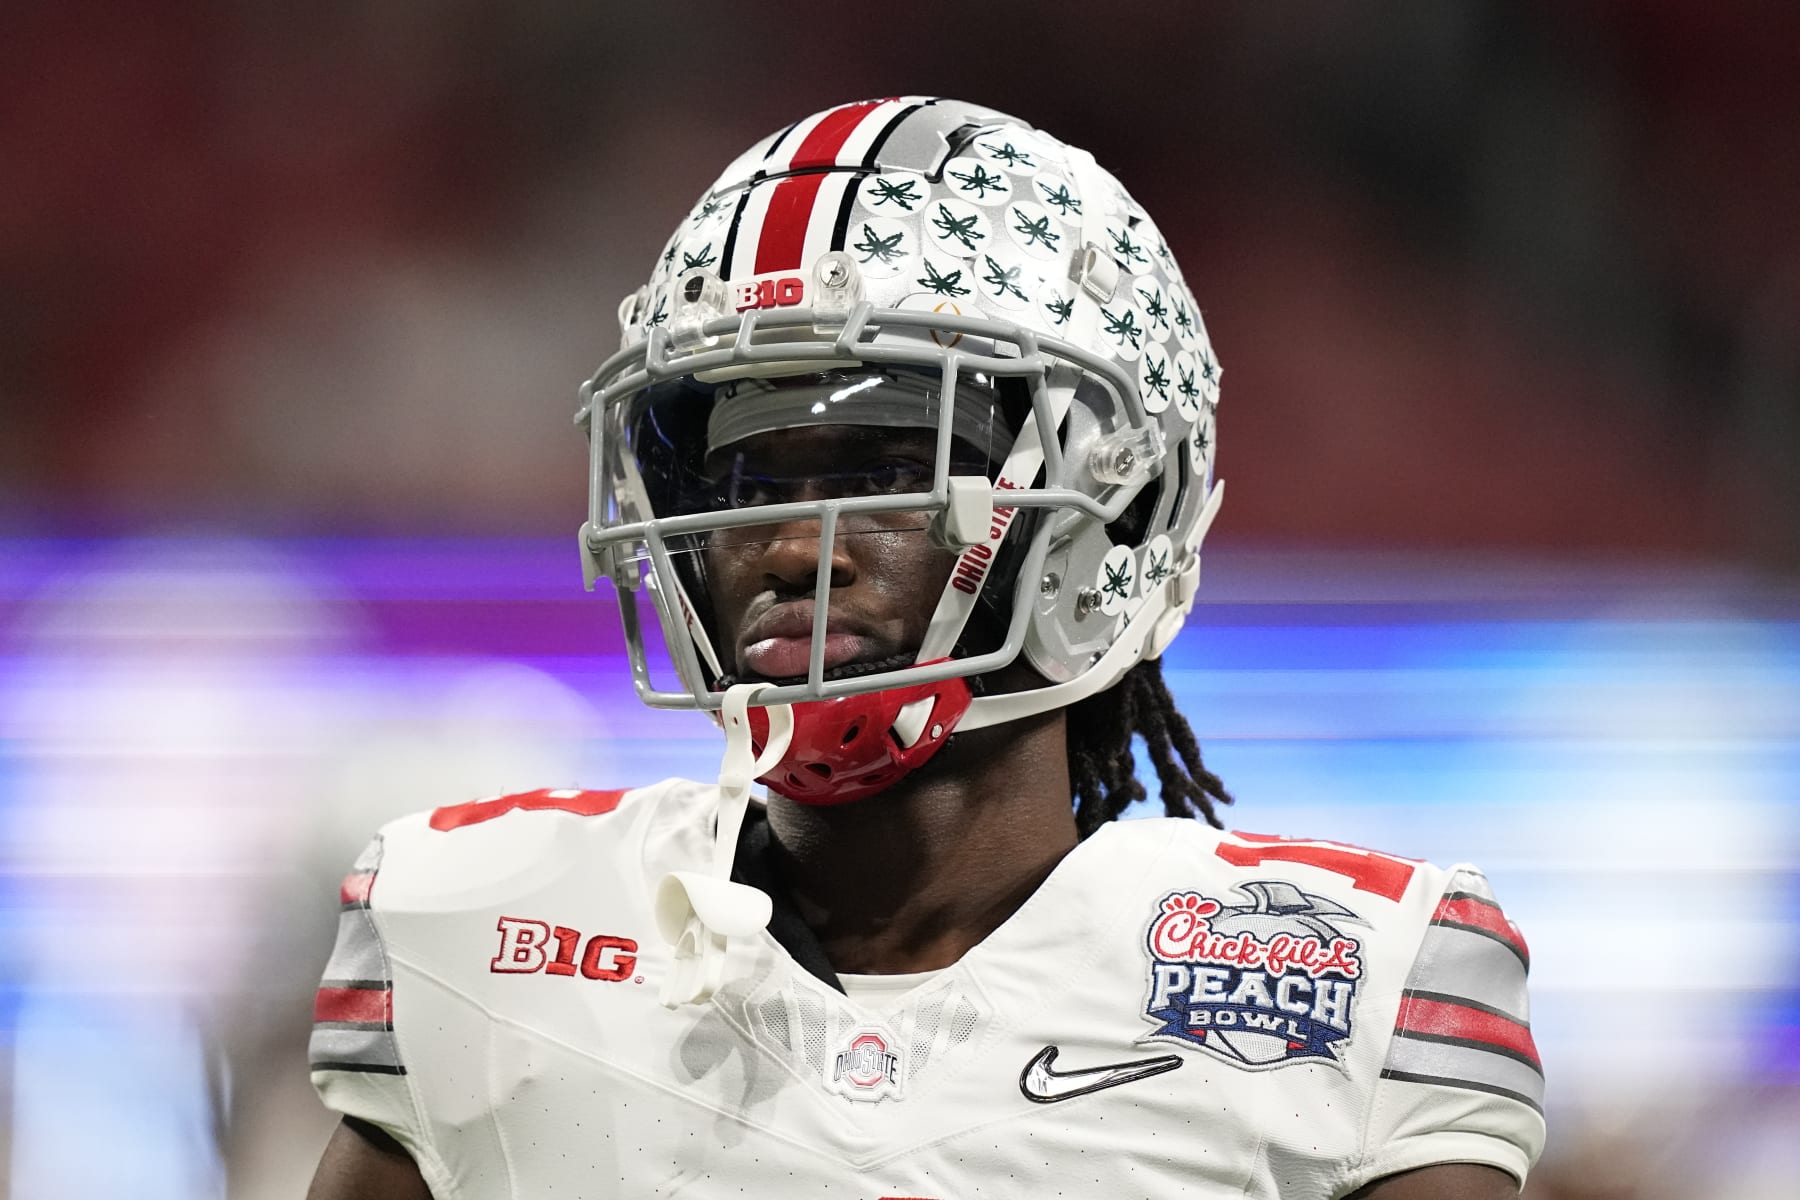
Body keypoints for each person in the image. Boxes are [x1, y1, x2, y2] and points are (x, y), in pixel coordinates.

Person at [306, 98, 1544, 1199]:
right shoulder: (485, 931)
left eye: (888, 468)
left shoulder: (1347, 987)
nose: (790, 548)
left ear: (1119, 503)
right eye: (744, 478)